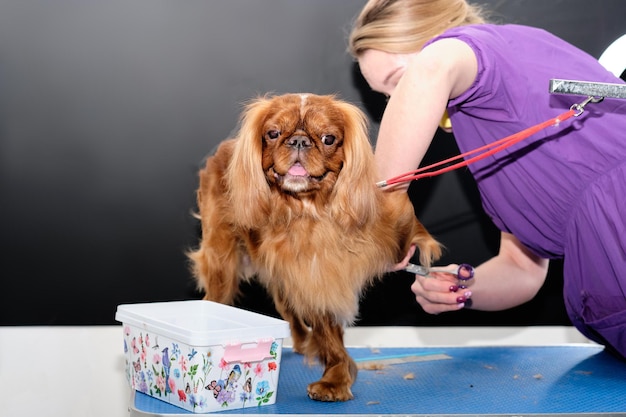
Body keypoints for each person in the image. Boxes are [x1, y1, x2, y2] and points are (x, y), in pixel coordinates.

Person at [348, 0, 626, 359]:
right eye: (387, 96)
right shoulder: (485, 134)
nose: (395, 103)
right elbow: (523, 269)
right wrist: (464, 289)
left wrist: (382, 208)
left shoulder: (483, 49)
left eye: (398, 85)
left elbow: (435, 64)